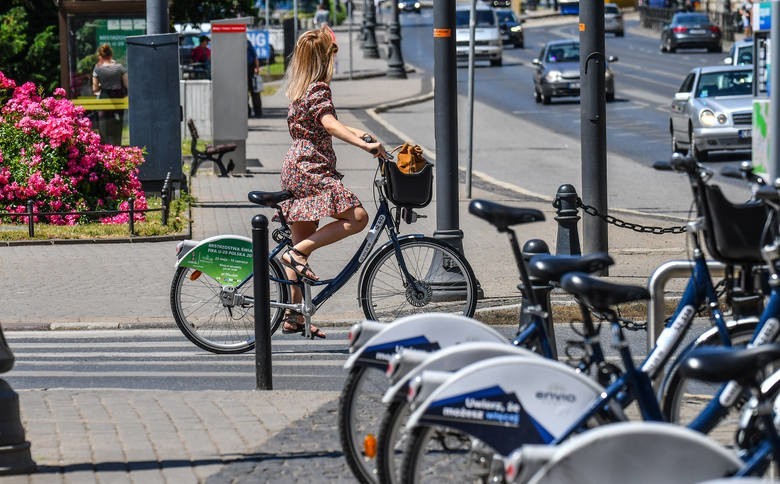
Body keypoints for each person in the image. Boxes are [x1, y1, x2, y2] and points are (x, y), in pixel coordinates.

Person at [278, 26, 388, 338]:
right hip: (311, 168)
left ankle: (293, 316)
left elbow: (331, 125)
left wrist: (360, 134)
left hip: (296, 164)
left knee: (302, 243)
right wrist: (363, 146)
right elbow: (330, 124)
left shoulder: (303, 90)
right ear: (324, 60)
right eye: (333, 58)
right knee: (357, 217)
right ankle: (295, 256)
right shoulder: (319, 90)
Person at [92, 44, 128, 146]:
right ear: (111, 54)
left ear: (100, 55)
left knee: (104, 126)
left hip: (104, 98)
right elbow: (127, 84)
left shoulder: (97, 69)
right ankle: (117, 147)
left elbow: (94, 88)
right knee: (118, 124)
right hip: (118, 98)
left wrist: (101, 84)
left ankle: (105, 149)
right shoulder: (120, 67)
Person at [247, 40, 262, 118]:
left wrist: (257, 68)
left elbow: (255, 56)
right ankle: (247, 112)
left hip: (250, 69)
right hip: (242, 70)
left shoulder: (247, 43)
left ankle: (258, 112)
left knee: (255, 91)